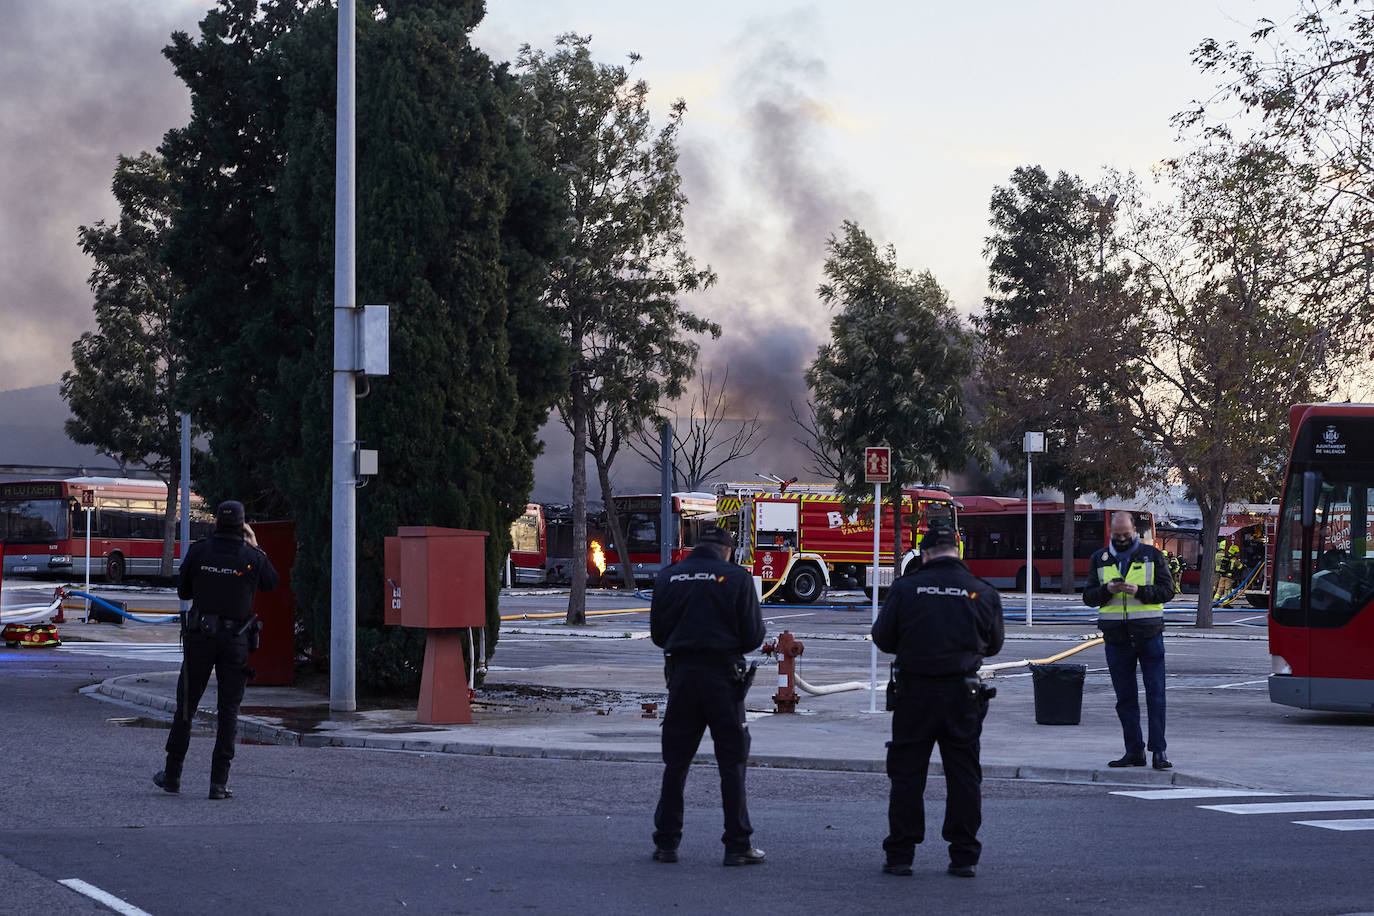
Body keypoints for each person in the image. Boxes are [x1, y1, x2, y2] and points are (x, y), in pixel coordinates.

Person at [871, 524, 1004, 879]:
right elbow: (994, 646)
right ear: (957, 552)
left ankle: (900, 854)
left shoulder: (906, 588)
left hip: (914, 694)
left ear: (925, 554)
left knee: (907, 775)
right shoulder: (982, 591)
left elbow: (883, 638)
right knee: (963, 776)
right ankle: (963, 857)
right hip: (963, 695)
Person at [649, 525, 766, 866]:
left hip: (682, 678)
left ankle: (666, 843)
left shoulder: (670, 576)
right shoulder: (737, 578)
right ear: (727, 551)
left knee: (676, 763)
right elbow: (753, 637)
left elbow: (658, 634)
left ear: (698, 547)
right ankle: (737, 845)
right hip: (723, 679)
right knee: (732, 764)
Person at [154, 500, 278, 799]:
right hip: (235, 641)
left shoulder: (199, 551)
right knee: (228, 712)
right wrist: (257, 546)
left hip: (199, 638)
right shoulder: (251, 556)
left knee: (186, 707)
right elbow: (272, 584)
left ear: (216, 523)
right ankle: (218, 783)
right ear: (242, 525)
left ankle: (172, 775)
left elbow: (183, 590)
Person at [1084, 511, 1175, 771]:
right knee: (1125, 698)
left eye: (1126, 534)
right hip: (1116, 638)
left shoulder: (1153, 556)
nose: (1122, 539)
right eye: (1117, 535)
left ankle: (1159, 751)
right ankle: (1133, 751)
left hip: (1149, 635)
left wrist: (1140, 592)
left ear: (1135, 530)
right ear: (1110, 533)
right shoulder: (1100, 559)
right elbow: (1088, 596)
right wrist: (1106, 591)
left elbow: (1167, 591)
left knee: (1155, 695)